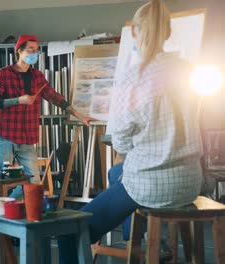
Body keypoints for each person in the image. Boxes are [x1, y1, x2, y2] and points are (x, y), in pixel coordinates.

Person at [59, 1, 203, 262]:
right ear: (168, 33)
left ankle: (140, 239)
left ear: (136, 33)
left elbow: (122, 142)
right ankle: (144, 239)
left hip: (150, 185)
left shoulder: (133, 77)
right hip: (190, 181)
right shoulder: (189, 70)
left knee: (70, 231)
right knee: (117, 174)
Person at [0, 34, 95, 199]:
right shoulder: (3, 74)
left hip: (27, 137)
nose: (34, 53)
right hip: (6, 135)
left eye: (36, 50)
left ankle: (3, 205)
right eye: (30, 49)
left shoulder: (37, 76)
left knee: (35, 183)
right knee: (7, 183)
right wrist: (19, 100)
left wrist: (79, 115)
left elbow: (55, 97)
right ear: (19, 51)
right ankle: (4, 211)